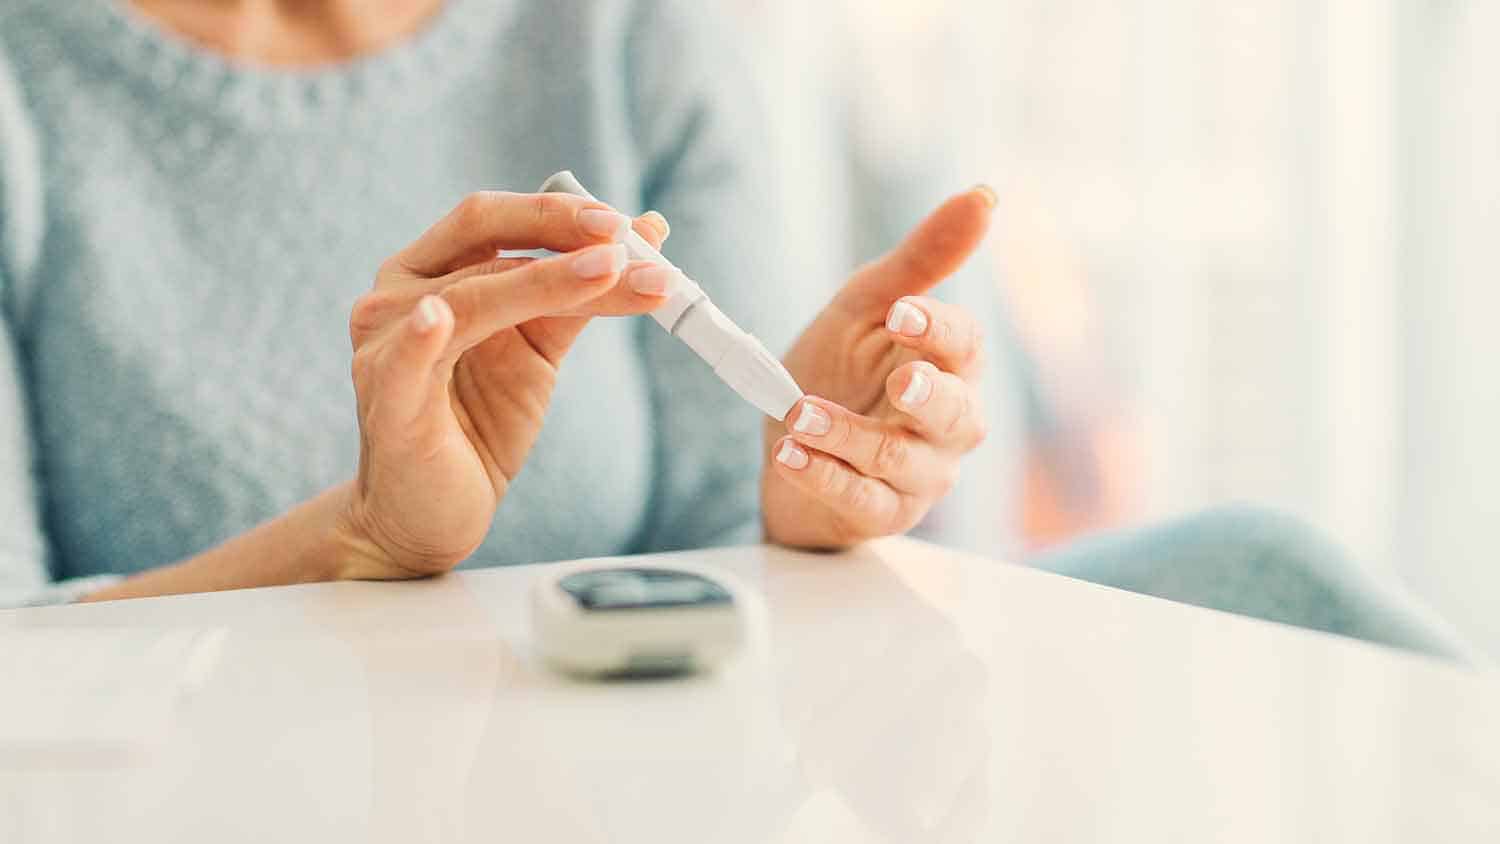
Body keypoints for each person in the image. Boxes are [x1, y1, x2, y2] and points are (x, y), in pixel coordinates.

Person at [0, 0, 1479, 663]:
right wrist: (361, 547)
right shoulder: (30, 86)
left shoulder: (629, 30)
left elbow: (748, 605)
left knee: (1270, 580)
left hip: (645, 786)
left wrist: (811, 503)